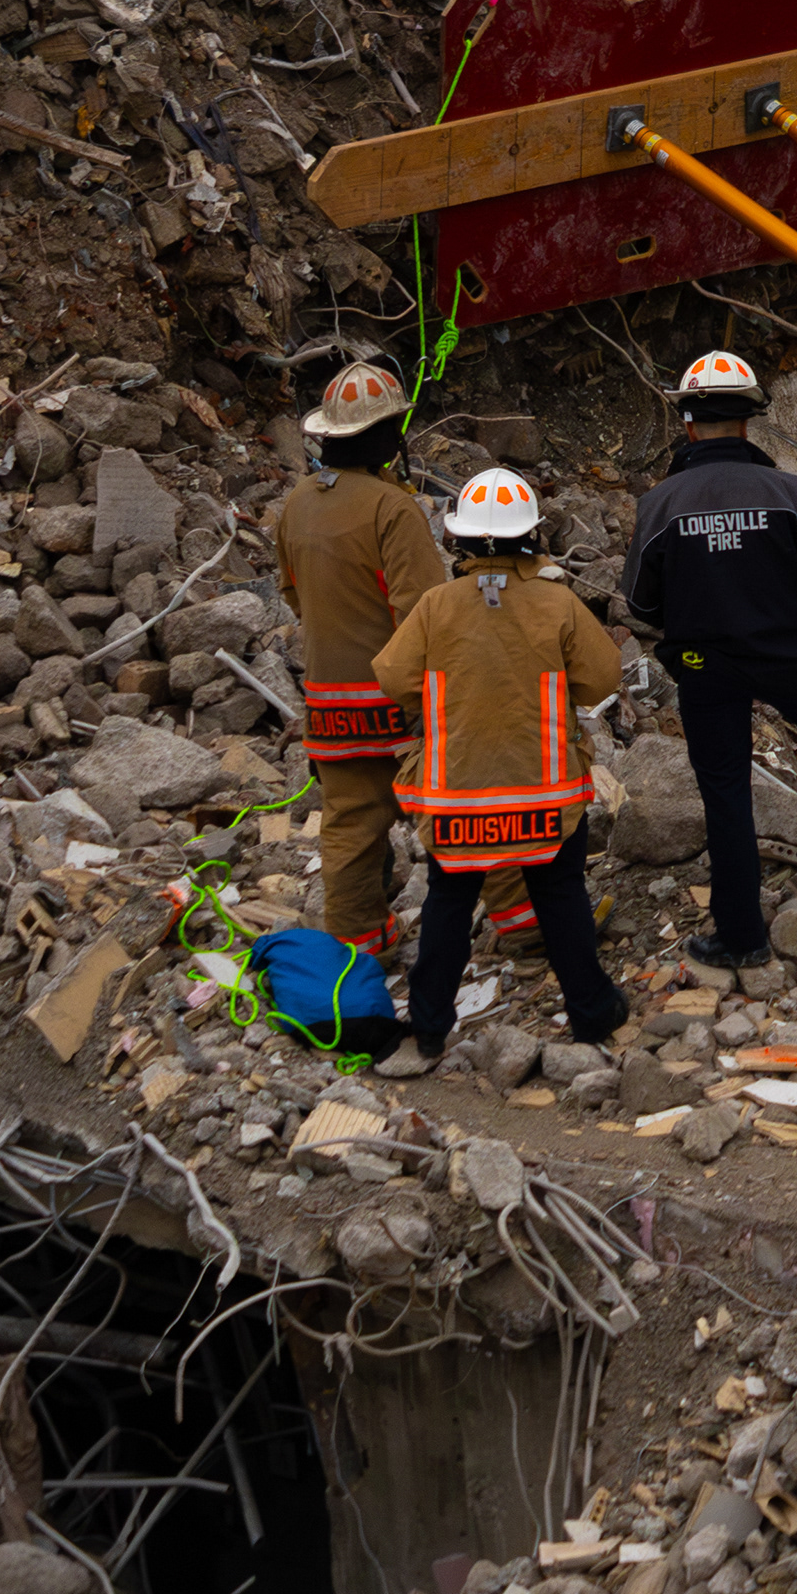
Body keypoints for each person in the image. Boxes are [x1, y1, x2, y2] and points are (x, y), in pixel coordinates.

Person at [620, 350, 797, 971]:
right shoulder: (787, 492)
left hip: (703, 666)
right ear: (747, 424)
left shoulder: (660, 504)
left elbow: (640, 600)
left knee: (724, 788)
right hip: (787, 653)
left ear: (689, 424)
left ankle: (742, 934)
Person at [370, 468, 631, 1070]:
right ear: (532, 538)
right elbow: (601, 678)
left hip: (458, 799)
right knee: (561, 897)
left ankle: (430, 1027)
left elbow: (393, 679)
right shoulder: (557, 602)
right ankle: (592, 1012)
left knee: (447, 903)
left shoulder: (436, 605)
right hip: (546, 798)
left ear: (458, 540)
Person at [273, 361, 448, 959]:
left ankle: (357, 946)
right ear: (389, 437)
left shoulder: (296, 504)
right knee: (452, 810)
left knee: (350, 826)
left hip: (327, 701)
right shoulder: (393, 510)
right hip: (396, 704)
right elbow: (424, 616)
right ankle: (522, 927)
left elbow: (293, 592)